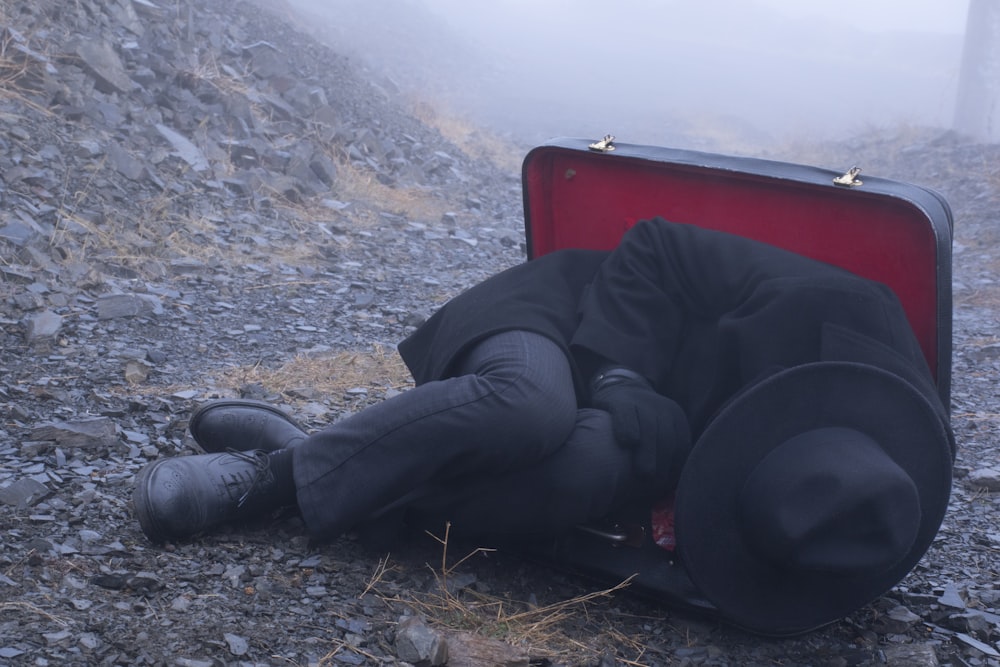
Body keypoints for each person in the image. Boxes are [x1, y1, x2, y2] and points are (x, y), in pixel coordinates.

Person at [132, 217, 954, 635]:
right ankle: (275, 478)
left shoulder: (861, 499)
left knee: (582, 472)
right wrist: (623, 370)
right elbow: (656, 245)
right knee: (533, 404)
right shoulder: (835, 312)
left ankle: (332, 465)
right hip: (568, 322)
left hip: (635, 426)